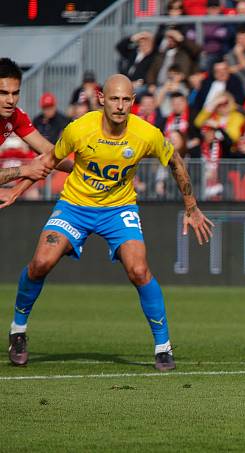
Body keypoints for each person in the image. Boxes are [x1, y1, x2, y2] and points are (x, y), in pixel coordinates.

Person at [4, 74, 214, 370]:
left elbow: (175, 161)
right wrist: (18, 189)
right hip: (75, 205)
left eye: (126, 99)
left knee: (139, 270)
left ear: (133, 102)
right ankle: (18, 330)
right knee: (40, 263)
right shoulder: (80, 128)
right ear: (101, 98)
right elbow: (49, 162)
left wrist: (191, 206)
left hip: (118, 208)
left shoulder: (146, 134)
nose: (120, 106)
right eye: (114, 99)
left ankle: (163, 346)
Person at [0, 58, 73, 207]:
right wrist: (25, 170)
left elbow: (50, 151)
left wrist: (88, 169)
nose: (10, 100)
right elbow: (30, 169)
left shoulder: (16, 116)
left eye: (15, 93)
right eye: (3, 93)